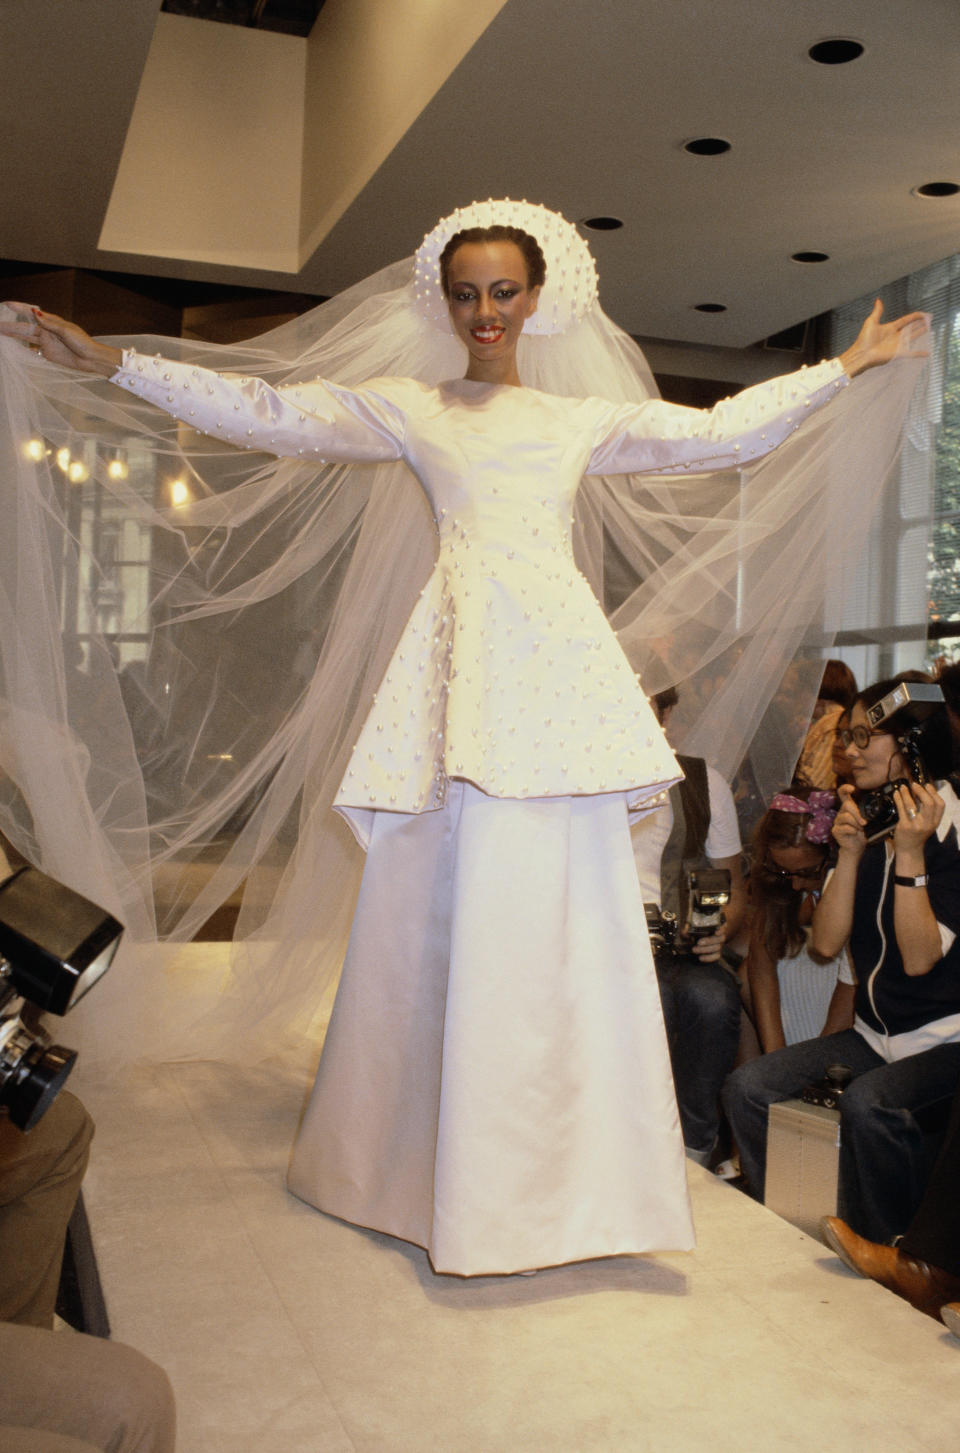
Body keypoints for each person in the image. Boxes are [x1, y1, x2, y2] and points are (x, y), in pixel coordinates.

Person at [0, 201, 929, 1275]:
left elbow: (718, 432)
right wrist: (112, 362)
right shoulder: (411, 407)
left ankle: (571, 1176)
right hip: (459, 672)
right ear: (443, 301)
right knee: (435, 912)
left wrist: (845, 367)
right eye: (466, 292)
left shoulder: (579, 418)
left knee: (565, 917)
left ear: (536, 301)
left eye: (502, 291)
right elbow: (268, 409)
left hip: (557, 675)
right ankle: (407, 1163)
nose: (484, 311)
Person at [723, 674, 960, 1245]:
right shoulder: (869, 819)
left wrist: (908, 853)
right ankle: (805, 1223)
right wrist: (850, 854)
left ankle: (894, 1258)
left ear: (912, 745)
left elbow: (921, 957)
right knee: (748, 1090)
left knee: (870, 1106)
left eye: (863, 737)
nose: (848, 751)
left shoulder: (950, 828)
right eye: (848, 736)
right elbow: (826, 944)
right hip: (872, 1035)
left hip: (944, 1038)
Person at [631, 686, 744, 1164]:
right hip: (603, 948)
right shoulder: (580, 782)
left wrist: (719, 929)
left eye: (645, 702)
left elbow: (736, 889)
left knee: (713, 997)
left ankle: (695, 1148)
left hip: (679, 946)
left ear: (667, 712)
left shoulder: (701, 781)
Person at [742, 788, 854, 1053]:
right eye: (783, 872)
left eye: (806, 872)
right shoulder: (781, 885)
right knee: (743, 975)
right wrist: (778, 1058)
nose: (795, 884)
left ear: (833, 855)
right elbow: (761, 963)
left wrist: (814, 1061)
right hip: (799, 982)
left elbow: (852, 982)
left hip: (849, 994)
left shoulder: (856, 882)